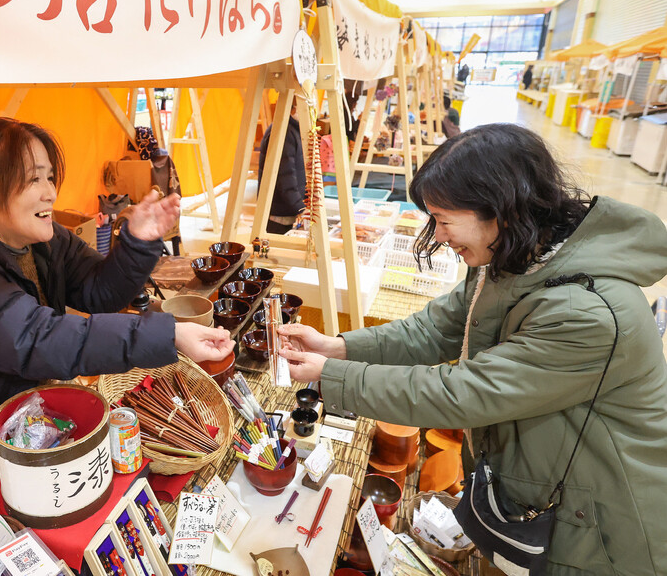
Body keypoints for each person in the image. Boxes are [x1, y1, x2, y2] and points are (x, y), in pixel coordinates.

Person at [278, 123, 667, 573]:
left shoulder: (588, 313)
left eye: (444, 219)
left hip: (603, 522)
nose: (439, 236)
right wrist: (339, 346)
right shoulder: (515, 260)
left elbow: (463, 393)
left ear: (501, 208)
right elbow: (433, 330)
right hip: (548, 488)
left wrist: (329, 375)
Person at [0, 117, 234, 501]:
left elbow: (97, 291)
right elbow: (36, 339)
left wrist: (138, 242)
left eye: (48, 177)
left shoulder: (39, 237)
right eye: (32, 179)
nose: (49, 193)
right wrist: (169, 333)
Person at [258, 106, 305, 235]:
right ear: (294, 108)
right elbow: (285, 177)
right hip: (278, 212)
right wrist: (300, 207)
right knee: (274, 249)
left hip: (286, 211)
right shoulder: (284, 133)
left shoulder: (294, 130)